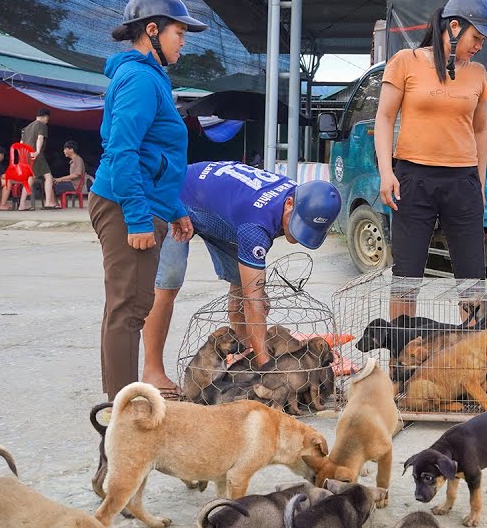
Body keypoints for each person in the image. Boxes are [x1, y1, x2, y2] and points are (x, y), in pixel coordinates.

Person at [89, 0, 206, 401]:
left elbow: (158, 154)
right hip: (124, 204)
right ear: (152, 30)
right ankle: (123, 411)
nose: (184, 40)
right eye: (179, 32)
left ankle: (119, 403)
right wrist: (139, 219)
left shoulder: (153, 77)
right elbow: (122, 151)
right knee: (130, 309)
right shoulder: (139, 78)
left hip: (141, 201)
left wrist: (174, 209)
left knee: (125, 307)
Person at [140, 161, 342, 393]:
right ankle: (152, 371)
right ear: (289, 204)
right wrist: (269, 370)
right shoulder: (256, 225)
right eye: (298, 225)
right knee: (168, 282)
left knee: (244, 284)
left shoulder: (303, 197)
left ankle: (244, 363)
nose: (298, 237)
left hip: (222, 212)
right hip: (177, 196)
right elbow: (252, 301)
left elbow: (247, 291)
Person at [374, 0, 487, 320]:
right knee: (406, 277)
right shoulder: (406, 61)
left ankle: (478, 364)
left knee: (473, 281)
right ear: (455, 26)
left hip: (462, 182)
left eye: (484, 41)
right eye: (476, 38)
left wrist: (480, 182)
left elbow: (480, 130)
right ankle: (401, 364)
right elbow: (385, 117)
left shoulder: (477, 73)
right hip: (412, 180)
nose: (479, 46)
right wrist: (386, 173)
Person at [1, 107, 49, 210]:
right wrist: (37, 151)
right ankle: (46, 202)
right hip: (34, 155)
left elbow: (21, 144)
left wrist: (21, 157)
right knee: (44, 177)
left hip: (24, 156)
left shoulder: (26, 128)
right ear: (45, 117)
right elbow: (40, 138)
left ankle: (18, 204)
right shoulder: (42, 125)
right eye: (47, 119)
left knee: (28, 177)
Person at [43, 140, 85, 208]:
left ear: (71, 150)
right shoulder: (73, 160)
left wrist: (60, 179)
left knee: (51, 184)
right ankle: (55, 203)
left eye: (65, 149)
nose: (64, 151)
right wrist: (60, 180)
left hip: (75, 185)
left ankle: (54, 204)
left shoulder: (78, 160)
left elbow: (76, 175)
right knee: (53, 182)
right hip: (72, 183)